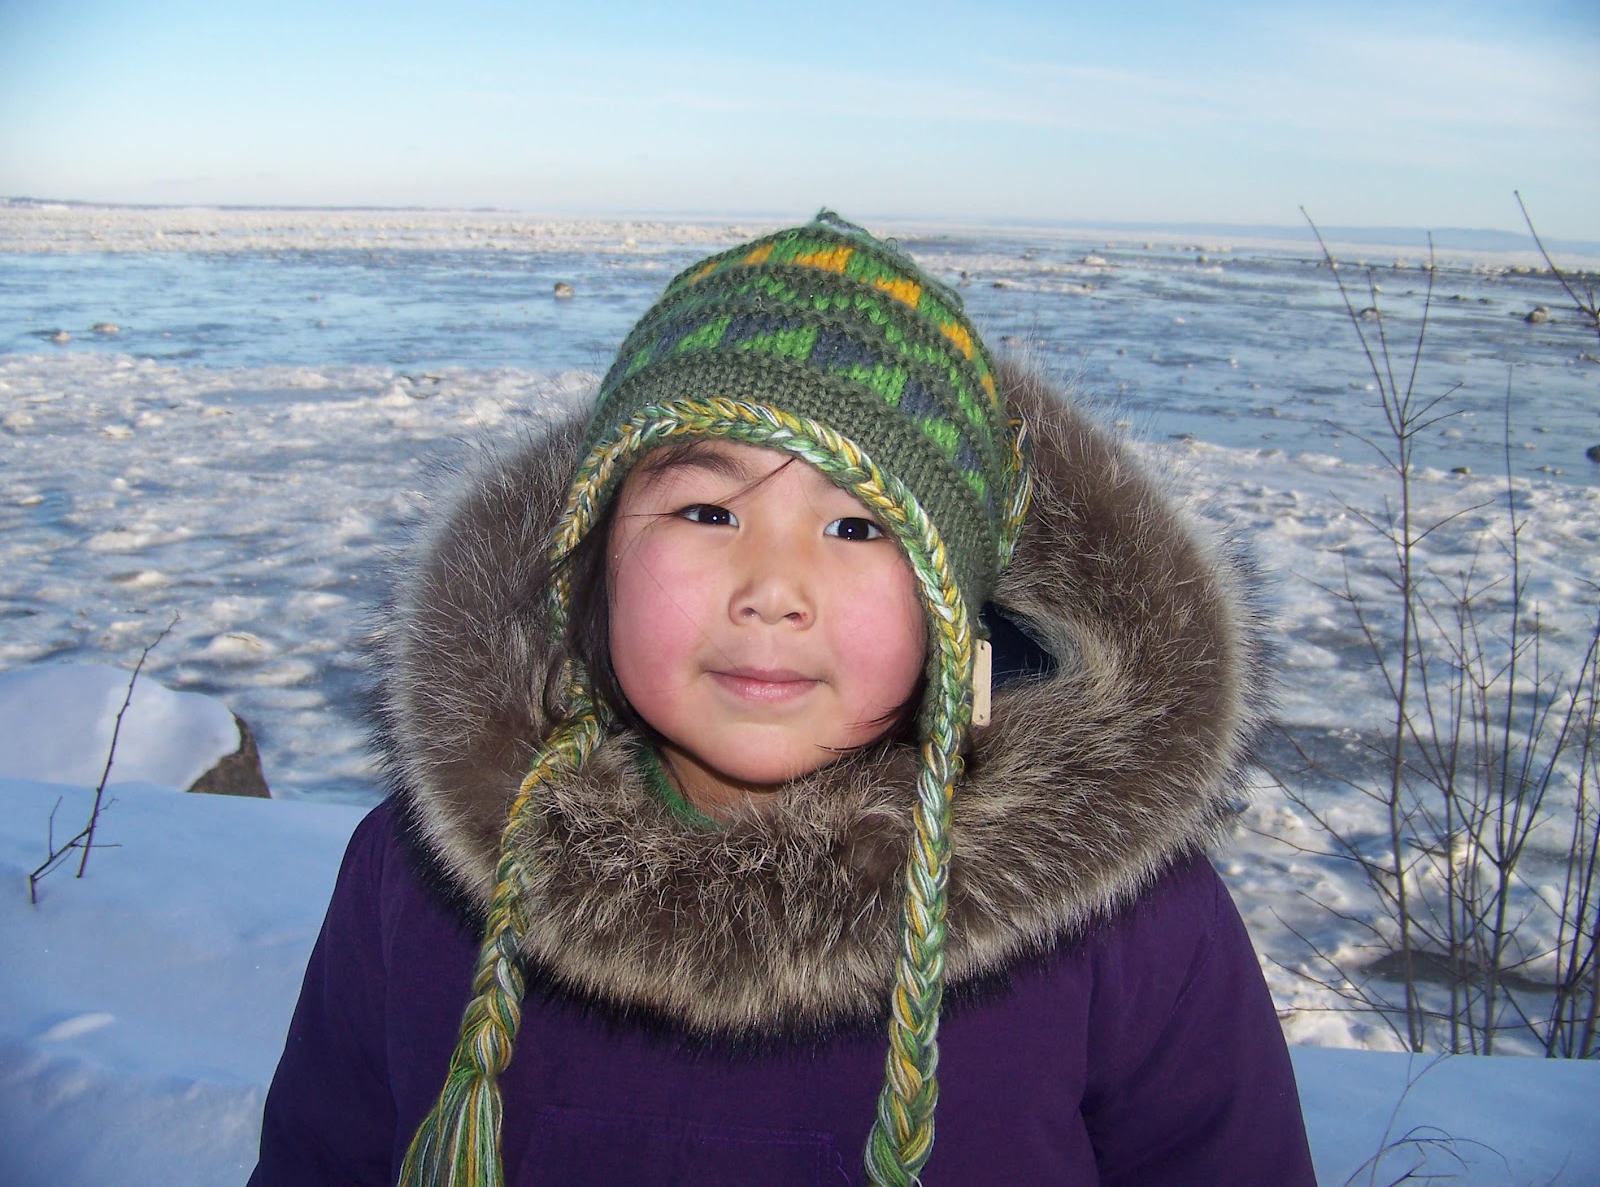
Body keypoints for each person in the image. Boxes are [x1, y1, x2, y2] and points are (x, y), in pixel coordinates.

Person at [250, 212, 1316, 1186]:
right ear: (595, 558)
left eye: (858, 527)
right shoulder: (417, 881)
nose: (771, 591)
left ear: (955, 603)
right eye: (708, 510)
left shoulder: (1124, 927)